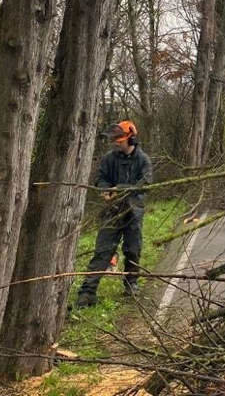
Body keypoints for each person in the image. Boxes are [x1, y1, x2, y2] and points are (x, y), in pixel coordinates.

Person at [75, 120, 153, 308]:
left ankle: (131, 282)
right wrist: (104, 189)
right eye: (115, 139)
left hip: (134, 210)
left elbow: (146, 183)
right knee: (103, 250)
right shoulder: (109, 158)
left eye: (120, 139)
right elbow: (101, 177)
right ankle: (88, 292)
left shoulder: (143, 160)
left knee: (133, 249)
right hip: (112, 211)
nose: (116, 142)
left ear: (131, 138)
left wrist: (121, 189)